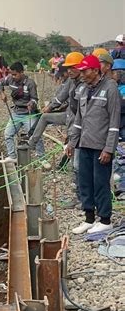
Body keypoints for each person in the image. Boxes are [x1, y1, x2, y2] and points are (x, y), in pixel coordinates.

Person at [66, 55, 121, 234]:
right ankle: (89, 218)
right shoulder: (83, 90)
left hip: (101, 146)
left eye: (85, 70)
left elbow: (114, 122)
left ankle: (105, 219)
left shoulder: (110, 89)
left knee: (100, 183)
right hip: (85, 145)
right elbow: (78, 121)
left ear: (95, 71)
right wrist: (72, 142)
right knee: (85, 182)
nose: (82, 74)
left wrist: (108, 148)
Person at [0, 61, 50, 168]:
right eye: (11, 74)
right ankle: (12, 156)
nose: (13, 76)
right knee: (8, 134)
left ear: (21, 72)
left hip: (28, 114)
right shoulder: (10, 79)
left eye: (15, 74)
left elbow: (35, 99)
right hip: (16, 113)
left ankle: (42, 158)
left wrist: (32, 103)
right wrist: (2, 93)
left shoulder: (30, 83)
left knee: (36, 135)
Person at [28, 55, 83, 149]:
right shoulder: (71, 80)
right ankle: (31, 143)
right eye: (68, 68)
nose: (69, 71)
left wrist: (50, 107)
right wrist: (50, 106)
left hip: (77, 121)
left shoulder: (78, 82)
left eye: (72, 67)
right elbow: (59, 96)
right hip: (69, 115)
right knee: (44, 117)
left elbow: (61, 98)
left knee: (74, 152)